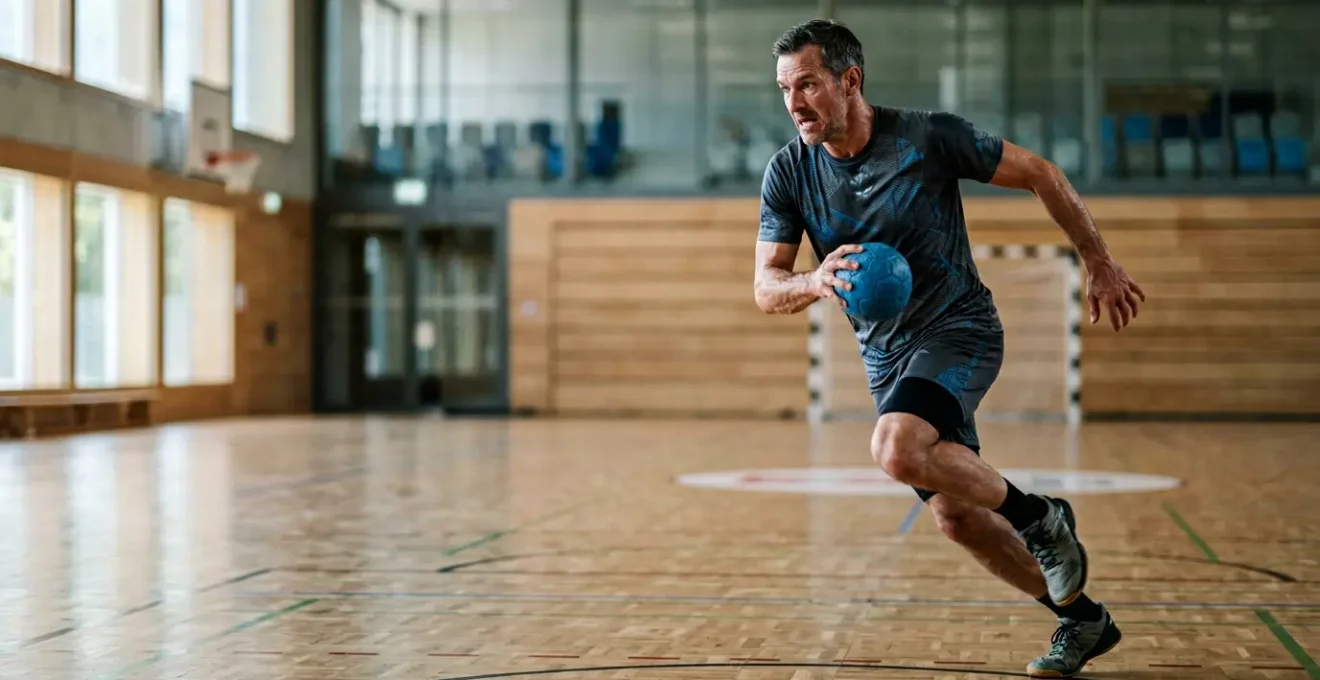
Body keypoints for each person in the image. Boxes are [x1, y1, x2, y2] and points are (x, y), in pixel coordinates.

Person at [751, 19, 1144, 679]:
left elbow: (1042, 173)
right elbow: (765, 288)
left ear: (851, 81)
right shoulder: (789, 172)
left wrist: (1098, 260)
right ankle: (1082, 621)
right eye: (786, 88)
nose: (795, 102)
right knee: (959, 521)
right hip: (889, 363)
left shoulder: (928, 137)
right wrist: (814, 281)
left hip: (959, 329)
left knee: (895, 447)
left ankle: (1042, 519)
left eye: (809, 83)